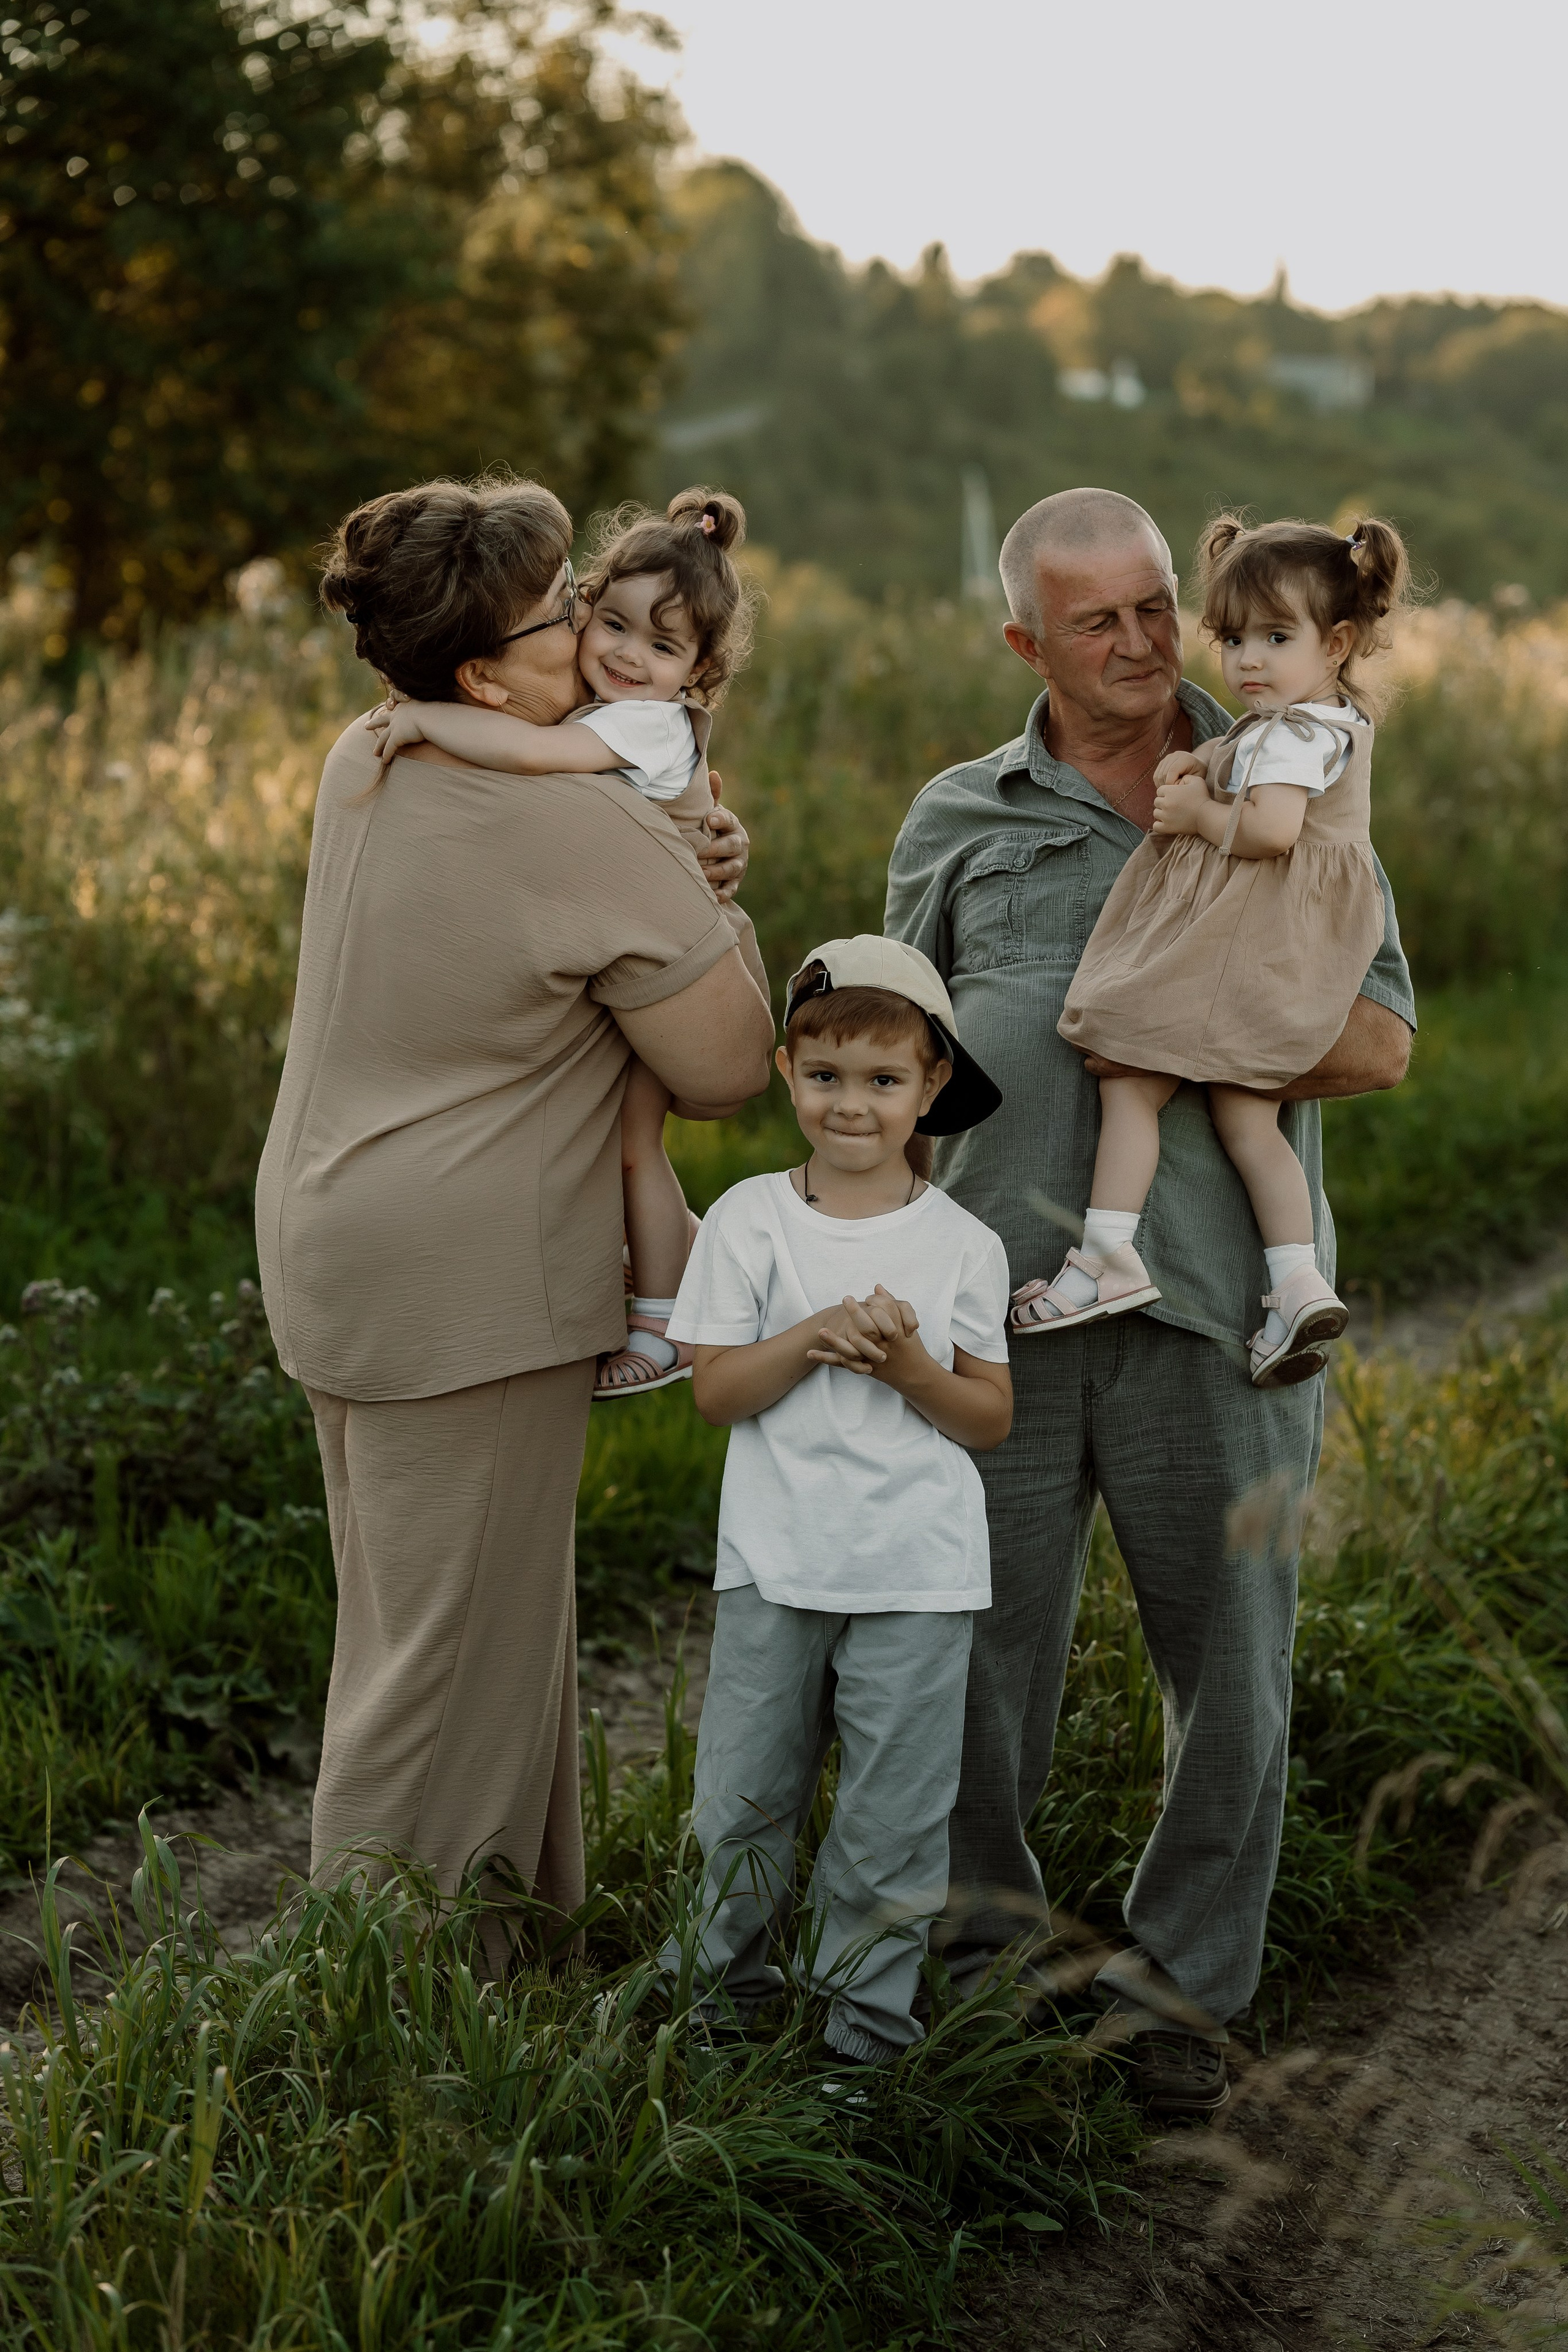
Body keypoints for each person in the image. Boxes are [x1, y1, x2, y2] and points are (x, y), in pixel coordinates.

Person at [884, 488, 1415, 2116]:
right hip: (999, 1317)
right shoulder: (961, 817)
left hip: (1212, 1306)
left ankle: (1183, 2004)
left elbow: (1381, 1040)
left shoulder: (1291, 758)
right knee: (971, 1660)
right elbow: (888, 1063)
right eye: (1096, 620)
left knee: (1232, 1665)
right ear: (1023, 642)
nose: (1144, 643)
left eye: (1152, 608)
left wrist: (1188, 1028)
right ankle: (977, 1975)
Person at [254, 472, 775, 1975]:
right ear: (487, 670)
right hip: (467, 1280)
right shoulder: (586, 827)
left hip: (340, 1238)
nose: (600, 648)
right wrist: (714, 882)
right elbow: (728, 1065)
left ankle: (512, 1965)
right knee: (441, 1670)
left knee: (460, 1631)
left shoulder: (371, 753)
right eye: (568, 620)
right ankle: (381, 2012)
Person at [660, 937, 1012, 2069]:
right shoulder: (749, 1220)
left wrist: (911, 1369)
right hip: (776, 1560)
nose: (851, 1105)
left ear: (933, 1085)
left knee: (891, 1818)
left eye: (883, 1080)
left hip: (917, 1570)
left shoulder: (965, 1245)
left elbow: (988, 1416)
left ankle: (861, 2035)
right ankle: (718, 2010)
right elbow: (718, 1392)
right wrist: (815, 1336)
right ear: (785, 1071)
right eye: (826, 1077)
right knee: (743, 1802)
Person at [368, 486, 769, 1401]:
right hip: (648, 940)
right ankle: (672, 1270)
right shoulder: (610, 705)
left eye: (661, 647)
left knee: (634, 1143)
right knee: (624, 1142)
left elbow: (534, 760)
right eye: (606, 621)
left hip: (686, 945)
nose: (625, 656)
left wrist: (425, 718)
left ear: (698, 670)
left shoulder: (638, 723)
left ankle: (668, 1318)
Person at [1014, 512, 1408, 1388]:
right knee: (1244, 1114)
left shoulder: (1301, 732)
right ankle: (1295, 1278)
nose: (1248, 663)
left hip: (1249, 944)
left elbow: (1270, 830)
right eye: (1231, 641)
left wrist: (1195, 811)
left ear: (1337, 641)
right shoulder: (1295, 724)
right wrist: (1199, 768)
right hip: (1274, 951)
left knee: (1124, 1068)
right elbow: (1249, 777)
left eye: (1275, 638)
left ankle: (1108, 1251)